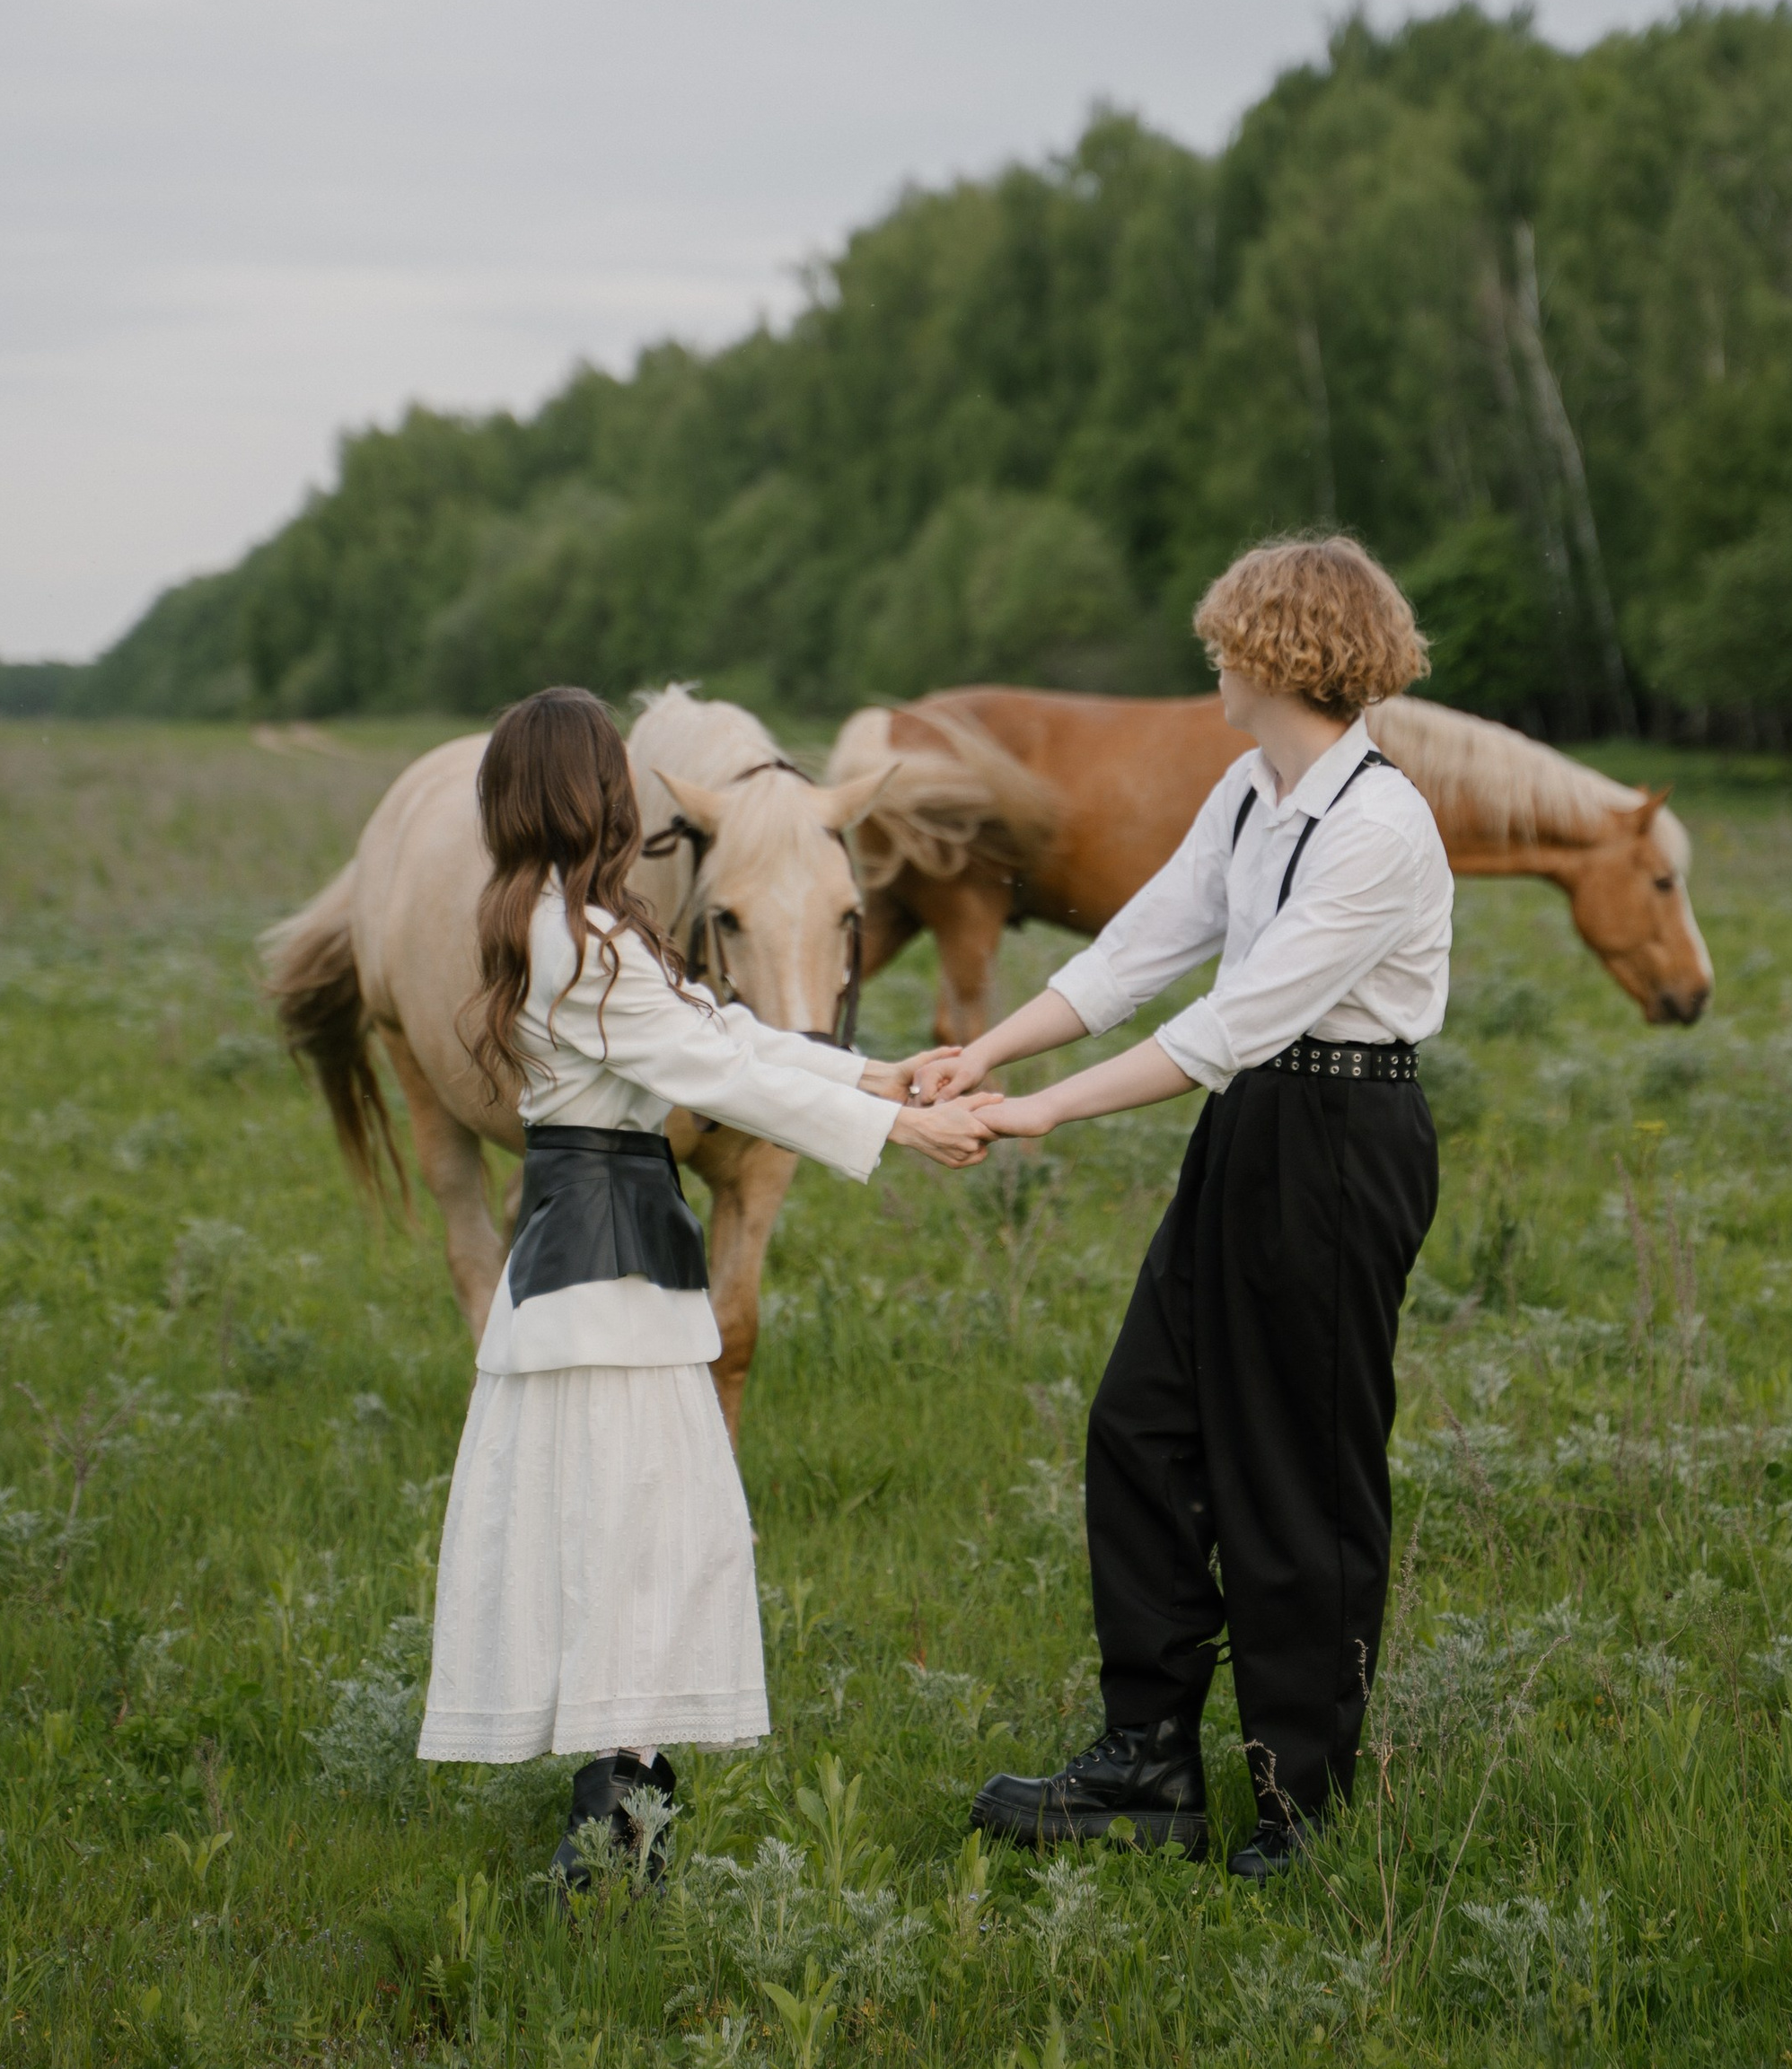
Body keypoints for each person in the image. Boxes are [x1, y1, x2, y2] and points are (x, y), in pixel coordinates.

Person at [911, 535, 1451, 1881]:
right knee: (1142, 1429)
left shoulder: (1381, 823)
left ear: (1280, 653)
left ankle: (1301, 1806)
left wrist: (1044, 1113)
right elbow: (1140, 950)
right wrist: (991, 1055)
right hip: (1249, 1127)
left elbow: (1235, 1019)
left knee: (1298, 1476)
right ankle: (1145, 1760)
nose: (1210, 654)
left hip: (1339, 1133)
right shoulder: (1250, 790)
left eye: (1227, 637)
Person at [416, 686, 990, 1885]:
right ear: (598, 799)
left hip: (611, 1273)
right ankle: (613, 1844)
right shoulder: (577, 939)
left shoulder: (572, 925)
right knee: (639, 1541)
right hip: (602, 1285)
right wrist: (893, 1135)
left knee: (649, 1540)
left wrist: (875, 1076)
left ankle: (622, 1834)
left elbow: (725, 1035)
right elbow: (705, 1064)